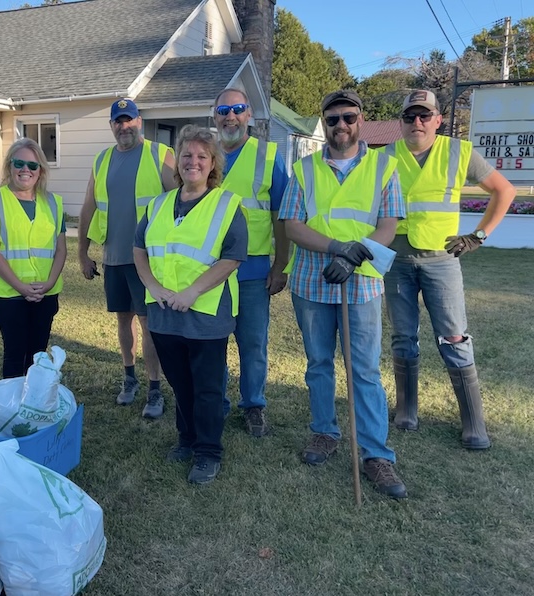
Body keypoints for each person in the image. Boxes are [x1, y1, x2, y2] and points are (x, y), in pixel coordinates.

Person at [280, 90, 407, 499]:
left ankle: (375, 454)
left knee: (364, 370)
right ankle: (324, 433)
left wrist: (355, 258)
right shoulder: (303, 170)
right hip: (311, 282)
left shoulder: (384, 167)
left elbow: (388, 225)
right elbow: (293, 226)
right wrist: (336, 249)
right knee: (319, 364)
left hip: (362, 281)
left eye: (348, 117)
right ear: (324, 123)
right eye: (332, 119)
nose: (341, 126)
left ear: (361, 120)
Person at [382, 90, 516, 449]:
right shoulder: (384, 157)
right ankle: (406, 410)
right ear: (401, 123)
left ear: (438, 120)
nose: (417, 123)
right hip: (397, 260)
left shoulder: (459, 152)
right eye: (410, 116)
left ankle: (474, 423)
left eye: (425, 116)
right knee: (402, 337)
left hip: (442, 260)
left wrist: (478, 235)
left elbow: (504, 191)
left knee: (454, 337)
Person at [133, 125, 247, 485]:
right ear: (177, 161)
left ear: (212, 164)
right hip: (164, 315)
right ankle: (187, 439)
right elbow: (140, 250)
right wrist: (153, 286)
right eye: (186, 155)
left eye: (201, 156)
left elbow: (232, 257)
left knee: (208, 387)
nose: (192, 162)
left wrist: (192, 292)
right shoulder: (158, 204)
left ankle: (208, 452)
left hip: (205, 315)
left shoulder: (227, 205)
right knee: (180, 383)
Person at [78, 98, 177, 419]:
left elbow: (181, 202)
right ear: (111, 126)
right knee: (123, 321)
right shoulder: (102, 160)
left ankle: (154, 389)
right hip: (114, 258)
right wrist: (82, 252)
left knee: (149, 325)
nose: (124, 127)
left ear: (139, 121)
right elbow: (89, 208)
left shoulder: (160, 154)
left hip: (147, 260)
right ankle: (129, 378)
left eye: (129, 120)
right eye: (118, 121)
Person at [214, 88, 290, 437]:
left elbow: (282, 216)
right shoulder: (203, 155)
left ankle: (254, 405)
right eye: (224, 110)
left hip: (253, 271)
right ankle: (216, 402)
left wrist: (280, 266)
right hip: (209, 271)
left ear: (250, 115)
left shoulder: (267, 156)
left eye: (238, 109)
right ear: (214, 116)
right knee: (211, 343)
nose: (231, 116)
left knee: (253, 343)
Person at [0, 138, 67, 378]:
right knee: (15, 354)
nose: (25, 169)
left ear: (40, 172)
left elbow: (61, 250)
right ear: (9, 166)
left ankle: (33, 405)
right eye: (19, 163)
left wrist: (47, 285)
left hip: (44, 293)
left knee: (38, 354)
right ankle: (13, 406)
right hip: (8, 295)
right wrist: (21, 288)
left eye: (33, 165)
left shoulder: (54, 204)